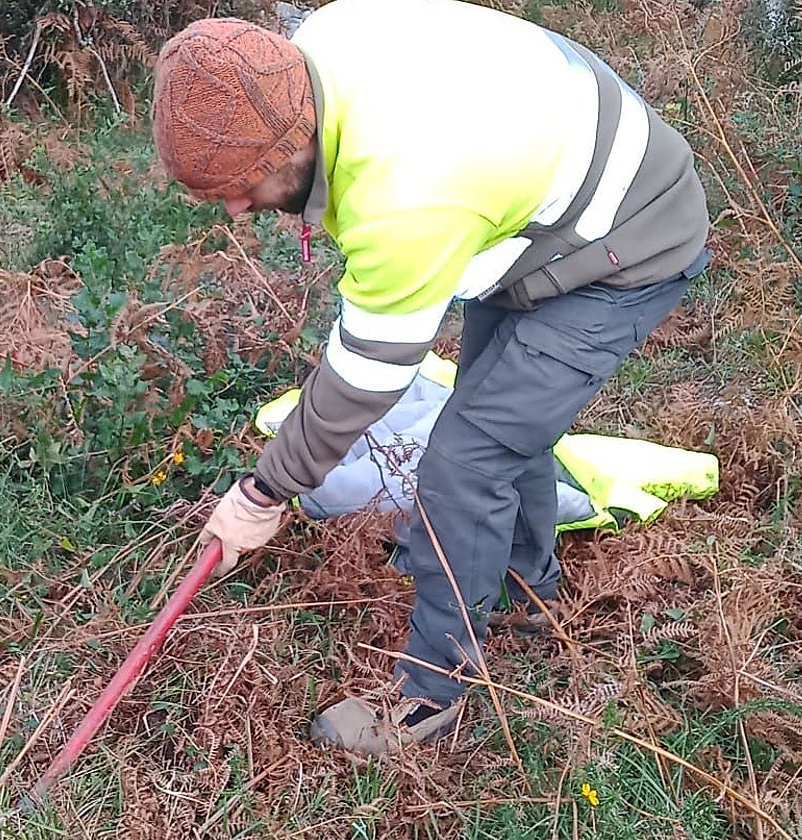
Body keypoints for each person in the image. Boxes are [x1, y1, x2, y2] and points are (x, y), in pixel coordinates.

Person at [151, 0, 711, 756]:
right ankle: (524, 598)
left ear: (297, 138)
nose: (236, 207)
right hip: (544, 211)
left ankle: (431, 702)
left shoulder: (407, 189)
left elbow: (367, 374)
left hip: (625, 241)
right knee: (500, 421)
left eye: (245, 184)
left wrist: (264, 491)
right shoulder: (312, 49)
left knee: (464, 461)